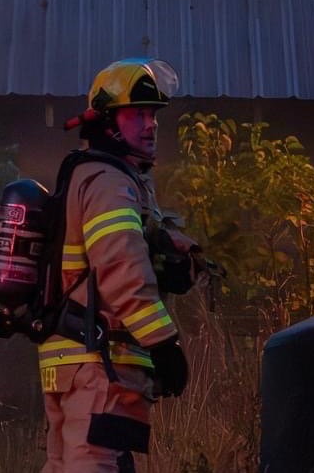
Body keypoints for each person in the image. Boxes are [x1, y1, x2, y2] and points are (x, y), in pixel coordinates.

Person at [40, 58, 198, 473]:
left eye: (152, 115)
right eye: (136, 115)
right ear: (107, 121)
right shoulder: (109, 183)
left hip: (73, 361)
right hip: (99, 363)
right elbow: (121, 269)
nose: (150, 125)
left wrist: (175, 257)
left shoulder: (97, 176)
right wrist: (164, 344)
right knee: (93, 465)